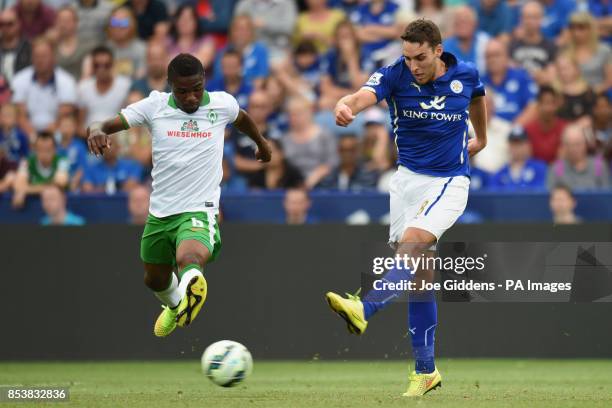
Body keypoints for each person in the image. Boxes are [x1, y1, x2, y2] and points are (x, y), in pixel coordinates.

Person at [325, 19, 487, 397]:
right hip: (406, 183)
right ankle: (426, 372)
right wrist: (345, 104)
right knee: (420, 279)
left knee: (411, 246)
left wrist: (482, 137)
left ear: (437, 49)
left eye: (420, 57)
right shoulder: (395, 75)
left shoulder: (466, 74)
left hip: (449, 180)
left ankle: (365, 308)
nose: (414, 65)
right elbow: (362, 96)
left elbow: (477, 97)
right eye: (408, 57)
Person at [86, 53, 271, 337]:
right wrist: (96, 130)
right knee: (155, 279)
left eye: (197, 88)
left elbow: (242, 119)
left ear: (204, 82)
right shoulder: (154, 106)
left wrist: (261, 143)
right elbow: (104, 124)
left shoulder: (222, 104)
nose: (191, 97)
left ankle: (192, 284)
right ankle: (176, 306)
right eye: (183, 91)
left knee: (190, 257)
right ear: (170, 85)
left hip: (200, 208)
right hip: (160, 212)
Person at [11, 38, 77, 137]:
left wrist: (44, 138)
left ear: (54, 58)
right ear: (32, 58)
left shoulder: (67, 81)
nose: (40, 60)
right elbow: (20, 116)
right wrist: (33, 136)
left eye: (44, 56)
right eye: (36, 56)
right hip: (27, 135)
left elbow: (63, 116)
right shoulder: (19, 79)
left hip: (56, 133)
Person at [78, 46, 132, 135]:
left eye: (106, 65)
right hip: (89, 138)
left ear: (112, 65)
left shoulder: (125, 85)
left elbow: (129, 118)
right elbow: (79, 124)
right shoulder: (83, 87)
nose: (101, 69)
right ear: (92, 66)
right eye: (97, 65)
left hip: (117, 137)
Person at [12, 131, 69, 208]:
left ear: (55, 150)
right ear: (35, 149)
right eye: (40, 149)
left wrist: (25, 190)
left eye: (48, 150)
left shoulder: (62, 160)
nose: (44, 154)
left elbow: (59, 184)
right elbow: (18, 185)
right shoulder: (27, 161)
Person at [547, 125, 610, 190]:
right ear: (564, 146)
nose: (573, 149)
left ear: (585, 144)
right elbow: (550, 196)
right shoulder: (557, 168)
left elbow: (607, 195)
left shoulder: (598, 165)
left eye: (577, 144)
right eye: (569, 144)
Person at [509, 1, 557, 85]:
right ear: (521, 19)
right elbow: (510, 74)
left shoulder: (551, 46)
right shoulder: (512, 46)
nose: (530, 21)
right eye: (527, 17)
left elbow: (552, 77)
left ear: (541, 19)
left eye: (534, 17)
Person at [565, 11, 612, 94]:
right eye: (573, 28)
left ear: (591, 29)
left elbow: (609, 80)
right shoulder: (565, 51)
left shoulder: (604, 50)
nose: (576, 32)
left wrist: (591, 92)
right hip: (571, 97)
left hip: (598, 97)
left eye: (581, 28)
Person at [490, 126, 547, 190]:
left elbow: (541, 192)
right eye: (513, 144)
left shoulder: (539, 168)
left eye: (520, 144)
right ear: (508, 146)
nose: (517, 148)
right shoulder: (500, 173)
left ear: (528, 145)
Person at [524, 85, 567, 163]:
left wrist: (557, 173)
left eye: (553, 103)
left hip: (558, 172)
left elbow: (563, 160)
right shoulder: (528, 129)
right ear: (538, 106)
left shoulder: (565, 128)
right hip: (536, 173)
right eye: (546, 103)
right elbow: (527, 160)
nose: (549, 108)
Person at [167, 4, 214, 70]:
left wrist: (173, 58)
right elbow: (161, 64)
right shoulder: (167, 41)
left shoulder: (206, 40)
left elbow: (202, 63)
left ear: (196, 22)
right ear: (176, 21)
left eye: (189, 18)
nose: (185, 22)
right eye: (181, 18)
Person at [0, 8, 31, 84]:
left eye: (10, 24)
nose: (5, 28)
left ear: (18, 24)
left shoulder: (29, 48)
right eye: (1, 24)